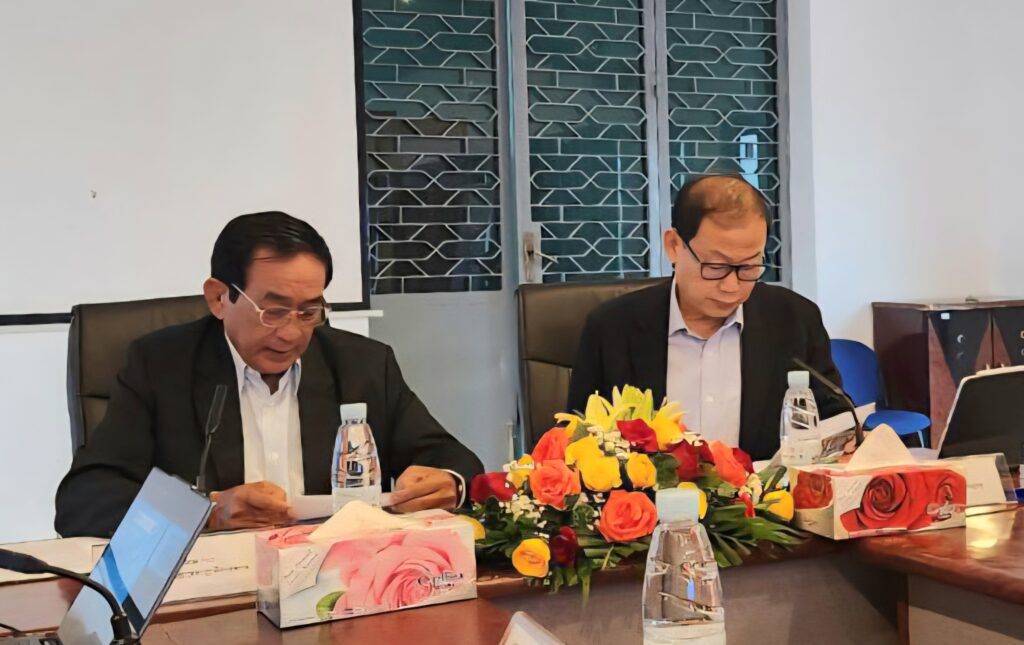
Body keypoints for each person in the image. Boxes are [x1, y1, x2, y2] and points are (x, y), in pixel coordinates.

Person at [55, 212, 483, 537]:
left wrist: (448, 483)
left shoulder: (362, 364)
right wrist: (208, 512)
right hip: (216, 593)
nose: (292, 333)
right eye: (273, 311)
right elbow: (85, 499)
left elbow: (456, 462)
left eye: (309, 311)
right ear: (219, 298)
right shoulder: (161, 365)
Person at [568, 175, 844, 460]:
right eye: (716, 267)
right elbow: (578, 441)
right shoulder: (612, 328)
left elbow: (833, 423)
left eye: (749, 266)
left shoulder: (795, 320)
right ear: (674, 245)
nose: (731, 286)